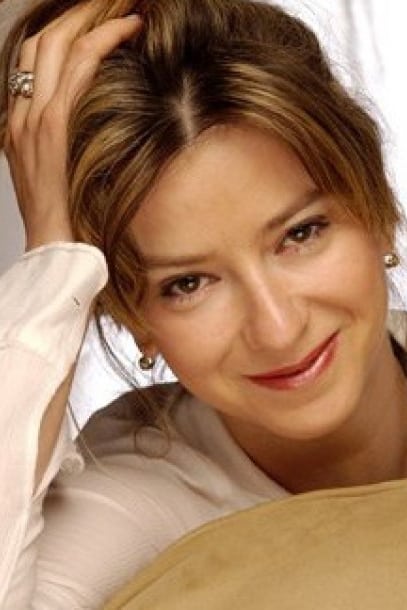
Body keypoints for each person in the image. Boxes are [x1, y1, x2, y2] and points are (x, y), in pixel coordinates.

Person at [0, 0, 406, 607]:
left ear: (377, 212)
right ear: (132, 316)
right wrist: (52, 253)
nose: (277, 328)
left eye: (300, 233)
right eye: (188, 284)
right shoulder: (141, 498)